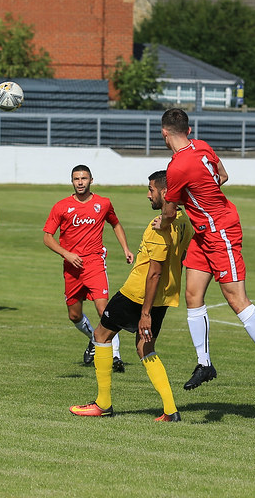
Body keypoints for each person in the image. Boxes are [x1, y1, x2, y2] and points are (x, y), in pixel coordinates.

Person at [157, 108, 255, 399]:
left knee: (235, 298)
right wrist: (205, 194)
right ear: (188, 130)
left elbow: (168, 209)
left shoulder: (176, 168)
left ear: (165, 133)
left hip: (221, 232)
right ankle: (204, 363)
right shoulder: (202, 146)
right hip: (204, 233)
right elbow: (223, 175)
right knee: (193, 294)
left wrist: (164, 221)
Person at [69, 170, 193, 421]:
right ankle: (170, 410)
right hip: (163, 297)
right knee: (145, 347)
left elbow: (154, 273)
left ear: (165, 193)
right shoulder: (183, 221)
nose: (148, 195)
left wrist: (144, 313)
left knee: (101, 335)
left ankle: (103, 404)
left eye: (151, 190)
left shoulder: (158, 228)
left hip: (137, 294)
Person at [43, 165, 134, 372]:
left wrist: (126, 248)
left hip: (94, 264)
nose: (80, 182)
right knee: (74, 315)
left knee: (105, 312)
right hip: (71, 267)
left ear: (91, 179)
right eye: (76, 179)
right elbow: (47, 237)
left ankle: (116, 356)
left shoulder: (103, 203)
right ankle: (94, 338)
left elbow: (116, 224)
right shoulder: (61, 207)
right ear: (72, 182)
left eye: (84, 178)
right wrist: (66, 253)